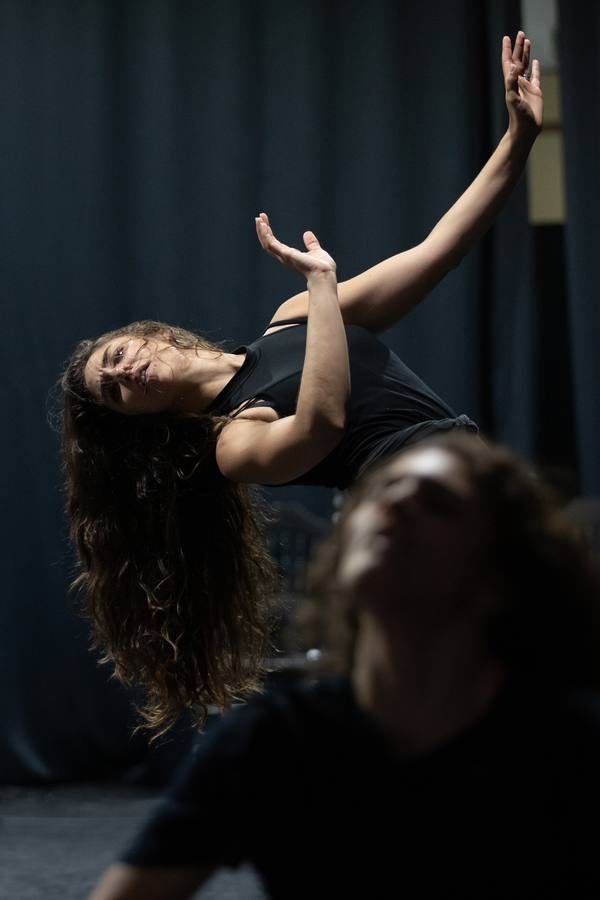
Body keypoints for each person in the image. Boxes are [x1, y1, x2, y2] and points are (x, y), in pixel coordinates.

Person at [61, 33, 543, 735]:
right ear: (137, 418)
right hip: (418, 514)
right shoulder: (234, 438)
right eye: (114, 390)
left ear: (150, 334)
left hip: (474, 475)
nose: (123, 371)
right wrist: (322, 285)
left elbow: (438, 251)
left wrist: (520, 137)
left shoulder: (288, 324)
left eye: (116, 356)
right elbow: (321, 424)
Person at [86, 432, 600, 900]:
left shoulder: (567, 747)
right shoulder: (275, 741)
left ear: (498, 578)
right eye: (381, 493)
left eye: (434, 502)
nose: (393, 503)